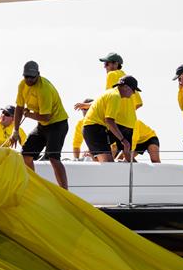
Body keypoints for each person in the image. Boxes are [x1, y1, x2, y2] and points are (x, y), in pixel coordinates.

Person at [9, 61, 69, 189]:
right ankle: (33, 187)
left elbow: (46, 117)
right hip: (42, 125)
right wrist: (15, 130)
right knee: (26, 155)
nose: (29, 79)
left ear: (38, 75)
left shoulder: (44, 89)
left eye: (32, 77)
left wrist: (29, 114)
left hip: (57, 124)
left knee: (53, 157)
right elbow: (19, 108)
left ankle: (65, 192)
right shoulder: (22, 85)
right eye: (26, 76)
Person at [75, 52, 141, 144]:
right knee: (125, 155)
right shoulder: (128, 79)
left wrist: (87, 105)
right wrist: (126, 112)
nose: (104, 67)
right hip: (131, 124)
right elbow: (139, 104)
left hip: (117, 123)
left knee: (95, 144)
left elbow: (108, 98)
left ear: (116, 64)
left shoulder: (112, 75)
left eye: (106, 64)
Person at [81, 76, 141, 162]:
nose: (134, 93)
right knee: (108, 164)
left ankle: (92, 155)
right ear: (126, 87)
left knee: (108, 163)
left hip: (95, 128)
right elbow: (109, 120)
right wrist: (123, 140)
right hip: (94, 129)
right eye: (133, 90)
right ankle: (92, 154)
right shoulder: (115, 96)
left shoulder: (112, 93)